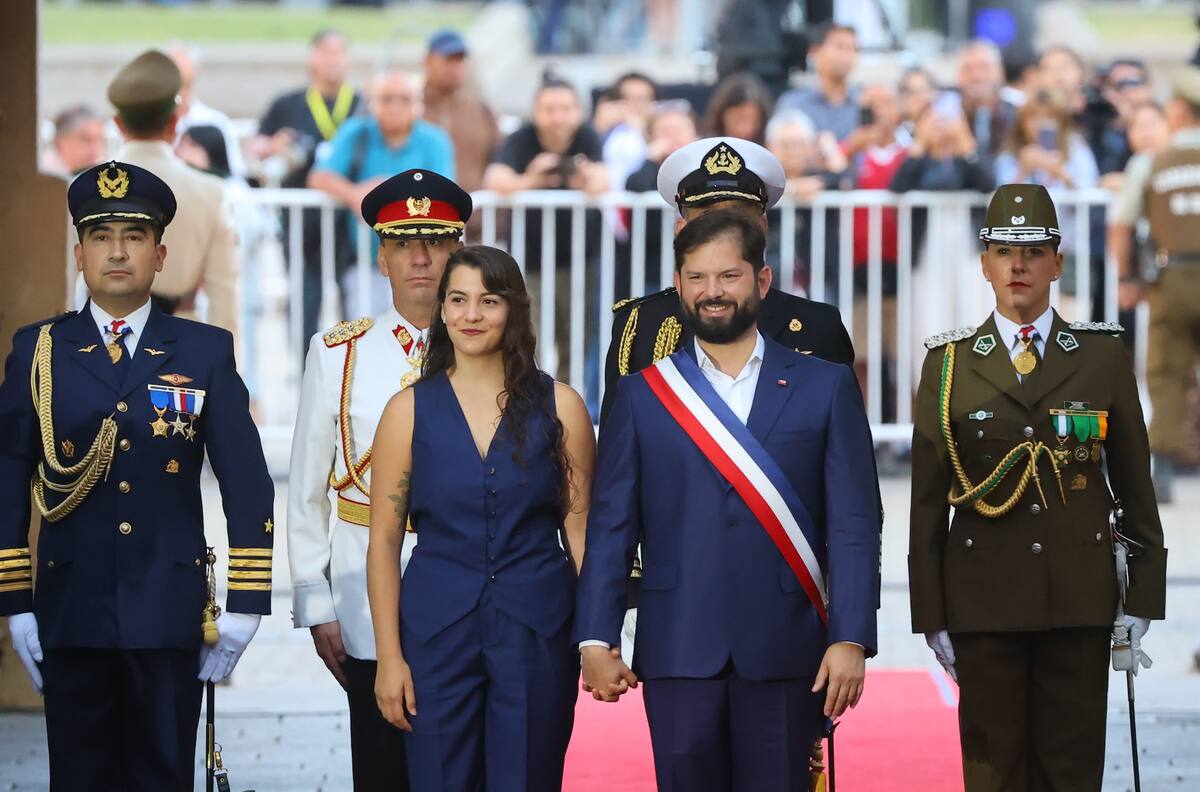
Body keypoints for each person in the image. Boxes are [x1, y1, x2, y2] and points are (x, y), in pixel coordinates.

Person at [575, 208, 880, 792]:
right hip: (678, 648)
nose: (711, 292)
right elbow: (612, 525)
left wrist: (850, 636)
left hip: (790, 650)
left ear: (762, 282)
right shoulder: (643, 395)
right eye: (696, 278)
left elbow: (853, 524)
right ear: (680, 285)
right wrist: (596, 636)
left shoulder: (825, 384)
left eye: (729, 276)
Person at [0, 160, 273, 789]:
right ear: (79, 253)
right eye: (101, 237)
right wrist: (16, 602)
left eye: (133, 238)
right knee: (79, 777)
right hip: (72, 609)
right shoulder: (37, 350)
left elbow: (247, 481)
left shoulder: (203, 350)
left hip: (167, 609)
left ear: (160, 255)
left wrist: (247, 604)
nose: (117, 252)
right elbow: (11, 475)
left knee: (163, 776)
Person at [909, 183, 1166, 792]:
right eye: (1002, 250)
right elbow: (925, 503)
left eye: (1032, 250)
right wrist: (931, 613)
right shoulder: (948, 365)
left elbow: (1134, 483)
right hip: (984, 600)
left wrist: (1144, 596)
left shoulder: (1101, 356)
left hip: (1077, 598)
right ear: (984, 265)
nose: (1017, 265)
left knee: (1072, 771)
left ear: (1057, 261)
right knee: (995, 773)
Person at [366, 245, 595, 791]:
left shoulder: (561, 406)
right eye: (459, 300)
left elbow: (583, 531)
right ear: (442, 309)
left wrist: (598, 638)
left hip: (538, 630)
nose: (472, 315)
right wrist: (388, 659)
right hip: (435, 633)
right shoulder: (406, 411)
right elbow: (382, 544)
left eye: (488, 301)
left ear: (514, 308)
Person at [288, 169, 471, 791]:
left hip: (470, 581)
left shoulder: (491, 346)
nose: (421, 257)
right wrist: (315, 601)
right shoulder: (338, 352)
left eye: (437, 241)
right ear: (381, 254)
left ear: (459, 249)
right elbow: (309, 486)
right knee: (382, 759)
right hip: (364, 588)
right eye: (403, 243)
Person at [601, 136, 855, 423]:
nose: (723, 234)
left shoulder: (817, 327)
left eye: (737, 219)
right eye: (708, 219)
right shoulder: (642, 328)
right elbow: (619, 456)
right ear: (681, 230)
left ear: (763, 227)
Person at [1109, 67, 1200, 503]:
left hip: (1172, 278)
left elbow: (1122, 225)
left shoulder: (1151, 163)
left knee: (1166, 375)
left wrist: (1127, 276)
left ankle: (1161, 472)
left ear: (1179, 111)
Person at [105, 49, 239, 338]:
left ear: (117, 123)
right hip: (181, 343)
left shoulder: (84, 187)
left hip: (102, 346)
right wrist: (228, 373)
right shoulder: (210, 192)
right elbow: (224, 295)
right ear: (175, 122)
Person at [483, 76, 609, 382]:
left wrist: (583, 179)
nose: (557, 117)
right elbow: (495, 179)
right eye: (549, 108)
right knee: (528, 338)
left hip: (580, 260)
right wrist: (532, 180)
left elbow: (604, 180)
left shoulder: (588, 137)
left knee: (576, 342)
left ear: (578, 112)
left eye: (565, 108)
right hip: (530, 260)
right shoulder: (522, 139)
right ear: (536, 112)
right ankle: (529, 403)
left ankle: (569, 408)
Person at [309, 70, 455, 318]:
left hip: (424, 265)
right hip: (366, 264)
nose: (395, 107)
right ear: (373, 104)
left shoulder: (435, 140)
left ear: (418, 105)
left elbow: (447, 192)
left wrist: (390, 192)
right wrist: (355, 194)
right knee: (365, 342)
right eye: (387, 99)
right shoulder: (356, 133)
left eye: (404, 99)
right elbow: (319, 177)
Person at [253, 28, 363, 348]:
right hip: (302, 223)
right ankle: (306, 372)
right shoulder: (287, 104)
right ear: (312, 58)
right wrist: (275, 145)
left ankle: (351, 377)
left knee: (354, 299)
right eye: (325, 52)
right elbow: (256, 145)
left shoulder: (362, 105)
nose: (332, 60)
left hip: (349, 219)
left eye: (339, 52)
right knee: (304, 298)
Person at [421, 29, 502, 194]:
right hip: (421, 214)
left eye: (460, 60)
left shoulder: (481, 111)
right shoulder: (411, 108)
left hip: (475, 214)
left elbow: (499, 160)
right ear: (428, 61)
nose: (455, 67)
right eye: (449, 60)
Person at [168, 42, 248, 180]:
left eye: (185, 84)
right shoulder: (146, 124)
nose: (180, 92)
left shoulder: (217, 122)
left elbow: (235, 176)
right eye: (173, 84)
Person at [775, 22, 860, 142]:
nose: (847, 55)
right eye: (840, 47)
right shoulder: (793, 104)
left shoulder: (864, 101)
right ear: (815, 52)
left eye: (854, 49)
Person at [957, 40, 1018, 175]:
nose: (976, 76)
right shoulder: (948, 115)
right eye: (968, 69)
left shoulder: (1018, 112)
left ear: (1000, 73)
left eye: (984, 67)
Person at [702, 71, 773, 145]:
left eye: (754, 122)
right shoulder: (705, 147)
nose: (745, 129)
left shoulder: (770, 148)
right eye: (738, 120)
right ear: (721, 117)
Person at [40, 104, 107, 179]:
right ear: (59, 141)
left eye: (99, 140)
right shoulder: (43, 175)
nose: (95, 148)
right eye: (86, 139)